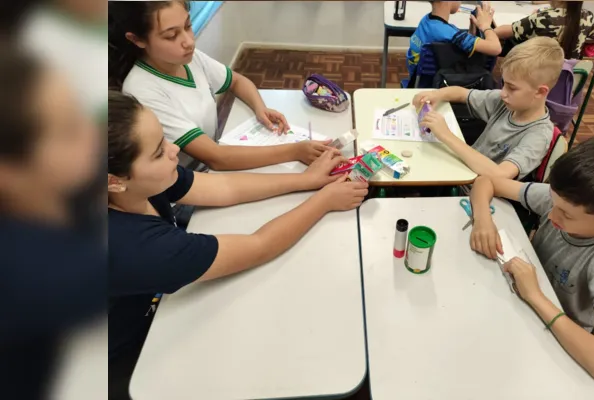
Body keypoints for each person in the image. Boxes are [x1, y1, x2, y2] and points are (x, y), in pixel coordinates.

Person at [107, 91, 368, 398]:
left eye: (165, 139)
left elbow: (222, 187)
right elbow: (258, 246)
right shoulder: (135, 247)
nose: (174, 149)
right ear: (114, 180)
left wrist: (305, 181)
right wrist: (323, 201)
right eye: (157, 152)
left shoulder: (139, 183)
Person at [469, 135, 594, 383]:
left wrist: (534, 295)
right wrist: (483, 219)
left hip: (554, 341)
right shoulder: (565, 201)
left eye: (566, 215)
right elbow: (486, 182)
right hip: (517, 305)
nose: (552, 215)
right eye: (554, 201)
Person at [108, 0, 332, 171]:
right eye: (171, 36)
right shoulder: (143, 92)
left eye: (188, 26)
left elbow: (237, 80)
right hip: (187, 185)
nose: (188, 41)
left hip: (212, 165)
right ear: (137, 40)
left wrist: (259, 107)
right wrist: (295, 150)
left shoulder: (187, 58)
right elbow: (216, 157)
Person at [0, 45, 104, 399]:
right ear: (8, 172)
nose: (94, 132)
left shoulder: (61, 185)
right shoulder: (31, 272)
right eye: (70, 130)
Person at [413, 37, 562, 180]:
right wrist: (436, 94)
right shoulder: (506, 102)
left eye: (512, 88)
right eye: (504, 83)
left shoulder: (538, 136)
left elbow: (500, 175)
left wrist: (446, 135)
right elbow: (462, 94)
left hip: (480, 193)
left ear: (540, 92)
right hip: (464, 171)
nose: (503, 92)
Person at [406, 1, 501, 78]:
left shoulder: (425, 21)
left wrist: (472, 30)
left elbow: (458, 47)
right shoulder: (450, 33)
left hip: (417, 82)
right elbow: (496, 48)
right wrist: (486, 26)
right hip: (443, 85)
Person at [494, 0, 594, 59]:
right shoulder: (588, 17)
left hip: (535, 70)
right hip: (567, 75)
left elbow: (501, 32)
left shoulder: (543, 17)